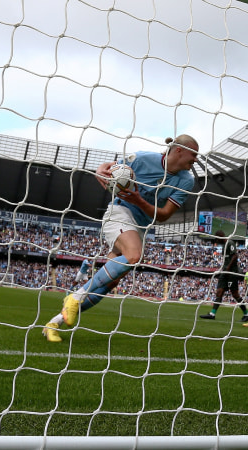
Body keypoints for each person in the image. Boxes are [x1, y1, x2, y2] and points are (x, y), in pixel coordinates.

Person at [43, 135, 199, 343]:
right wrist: (100, 169)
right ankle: (74, 297)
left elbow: (163, 215)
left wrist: (140, 201)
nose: (196, 160)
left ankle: (54, 323)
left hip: (140, 226)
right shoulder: (142, 159)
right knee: (134, 255)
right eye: (193, 154)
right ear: (178, 150)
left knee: (109, 282)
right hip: (119, 212)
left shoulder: (186, 180)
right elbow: (111, 167)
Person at [200, 230, 248, 321]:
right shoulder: (224, 246)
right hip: (224, 272)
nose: (216, 240)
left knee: (235, 294)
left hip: (231, 272)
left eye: (216, 238)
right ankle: (212, 314)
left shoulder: (230, 243)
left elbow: (235, 256)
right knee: (219, 292)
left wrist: (228, 268)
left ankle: (246, 314)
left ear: (220, 236)